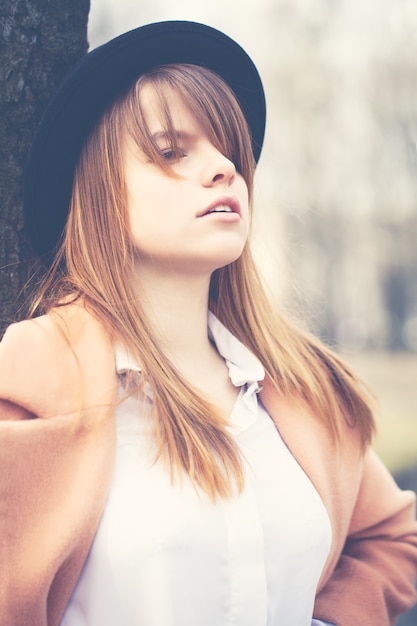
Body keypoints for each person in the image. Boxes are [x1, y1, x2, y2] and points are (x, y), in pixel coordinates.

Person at [0, 20, 416, 626]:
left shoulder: (302, 385)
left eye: (230, 150)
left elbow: (392, 536)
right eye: (171, 151)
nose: (224, 168)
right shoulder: (29, 381)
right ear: (98, 195)